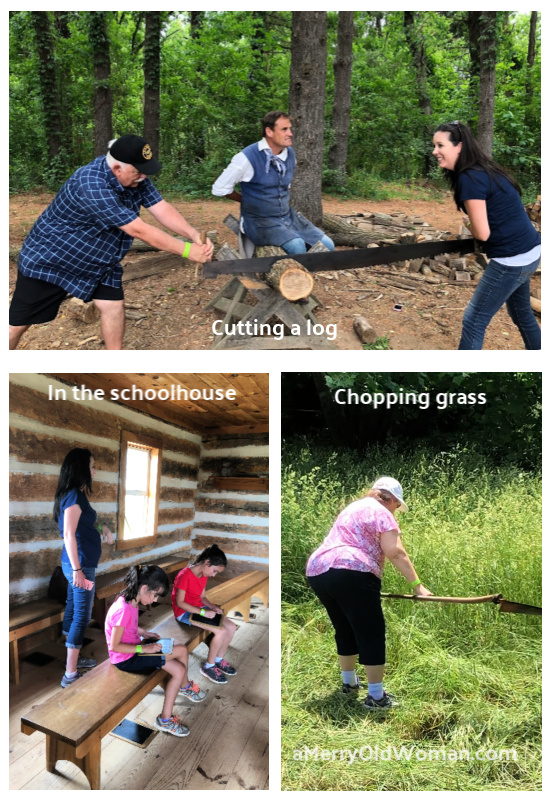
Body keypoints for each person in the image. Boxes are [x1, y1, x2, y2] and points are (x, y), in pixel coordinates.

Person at [9, 134, 214, 350]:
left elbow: (160, 207)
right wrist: (186, 250)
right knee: (17, 325)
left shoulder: (136, 177)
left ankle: (115, 364)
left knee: (113, 306)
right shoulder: (90, 183)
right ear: (117, 169)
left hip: (98, 260)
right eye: (138, 171)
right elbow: (137, 229)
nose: (143, 176)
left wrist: (192, 234)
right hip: (53, 259)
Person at [306, 477, 432, 710]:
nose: (396, 510)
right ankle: (376, 697)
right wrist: (417, 585)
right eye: (397, 505)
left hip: (318, 570)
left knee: (345, 627)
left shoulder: (353, 507)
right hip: (352, 568)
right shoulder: (382, 512)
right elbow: (395, 552)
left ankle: (349, 684)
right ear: (391, 499)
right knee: (371, 632)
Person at [432, 121, 541, 350]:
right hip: (531, 251)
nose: (435, 151)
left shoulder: (469, 178)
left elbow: (482, 232)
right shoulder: (484, 169)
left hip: (511, 260)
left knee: (474, 320)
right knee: (522, 315)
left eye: (440, 145)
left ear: (459, 147)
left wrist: (471, 226)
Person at [212, 110, 335, 255]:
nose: (290, 133)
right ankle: (294, 273)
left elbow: (284, 185)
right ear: (269, 132)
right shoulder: (246, 158)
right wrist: (244, 200)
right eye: (284, 129)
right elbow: (219, 188)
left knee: (328, 245)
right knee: (297, 246)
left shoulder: (290, 154)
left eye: (289, 129)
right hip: (259, 221)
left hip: (288, 216)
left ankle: (304, 270)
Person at [105, 564, 206, 738]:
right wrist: (144, 648)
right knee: (179, 669)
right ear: (144, 588)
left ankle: (184, 686)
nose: (155, 600)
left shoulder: (129, 600)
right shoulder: (123, 609)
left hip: (135, 648)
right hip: (127, 659)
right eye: (155, 594)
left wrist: (143, 633)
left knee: (181, 650)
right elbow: (114, 646)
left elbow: (127, 627)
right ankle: (165, 720)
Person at [53, 448, 114, 688]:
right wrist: (78, 571)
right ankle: (70, 674)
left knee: (72, 610)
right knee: (82, 616)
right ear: (81, 468)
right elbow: (69, 534)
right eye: (92, 466)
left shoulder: (74, 495)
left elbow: (83, 526)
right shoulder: (74, 496)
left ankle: (73, 660)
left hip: (77, 564)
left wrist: (102, 529)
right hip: (80, 566)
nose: (94, 470)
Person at [172, 544, 238, 685]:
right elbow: (180, 603)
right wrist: (203, 612)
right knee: (221, 631)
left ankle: (219, 660)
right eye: (214, 571)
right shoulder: (185, 575)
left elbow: (202, 597)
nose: (213, 575)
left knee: (231, 627)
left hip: (199, 607)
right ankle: (209, 666)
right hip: (184, 612)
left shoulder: (203, 574)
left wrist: (213, 607)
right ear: (207, 562)